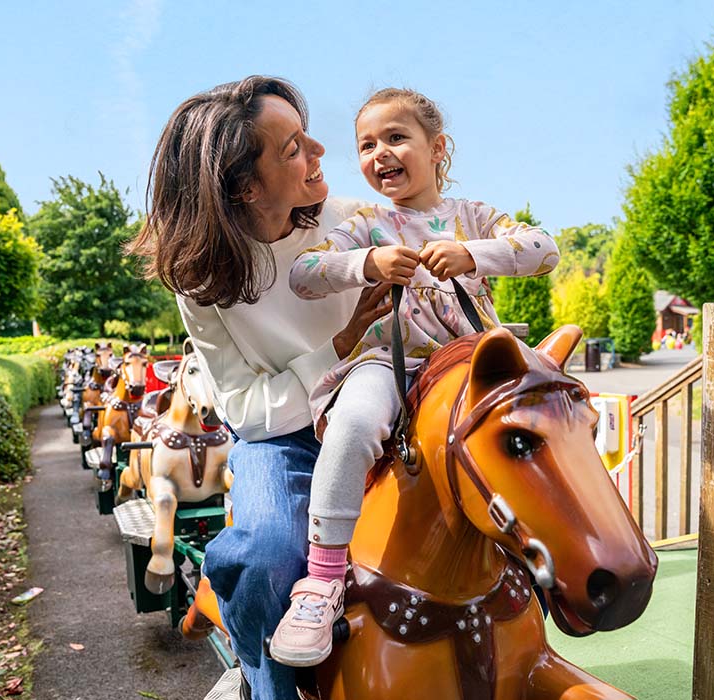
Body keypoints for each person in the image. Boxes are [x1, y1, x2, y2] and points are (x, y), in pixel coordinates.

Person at [268, 87, 559, 667]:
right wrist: (365, 263)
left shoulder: (474, 217)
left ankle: (556, 546)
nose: (381, 153)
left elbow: (543, 249)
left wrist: (474, 254)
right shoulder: (367, 222)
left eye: (396, 138)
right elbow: (304, 273)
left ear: (437, 148)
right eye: (367, 145)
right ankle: (322, 582)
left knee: (552, 418)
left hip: (471, 365)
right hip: (390, 362)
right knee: (352, 424)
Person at [129, 76, 391, 699]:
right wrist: (341, 344)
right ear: (245, 188)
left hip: (388, 403)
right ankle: (264, 683)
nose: (321, 151)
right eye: (294, 146)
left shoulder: (353, 221)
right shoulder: (203, 280)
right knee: (266, 552)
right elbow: (245, 411)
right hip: (290, 436)